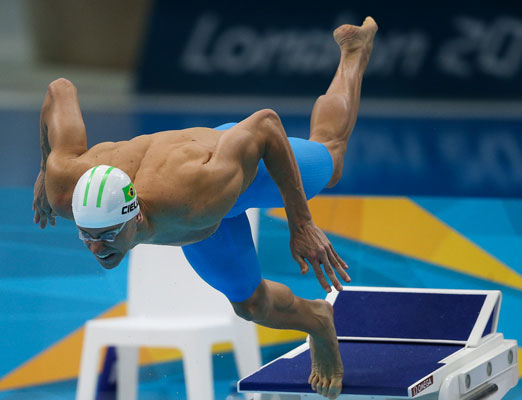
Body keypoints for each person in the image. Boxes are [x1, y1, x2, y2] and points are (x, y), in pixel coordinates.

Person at [33, 17, 378, 400]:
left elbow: (266, 124)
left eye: (108, 235)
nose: (97, 248)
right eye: (88, 236)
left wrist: (301, 222)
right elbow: (59, 90)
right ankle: (318, 319)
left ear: (136, 214)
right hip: (198, 212)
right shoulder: (66, 191)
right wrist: (48, 165)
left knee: (331, 156)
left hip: (235, 164)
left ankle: (354, 51)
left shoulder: (194, 194)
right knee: (251, 305)